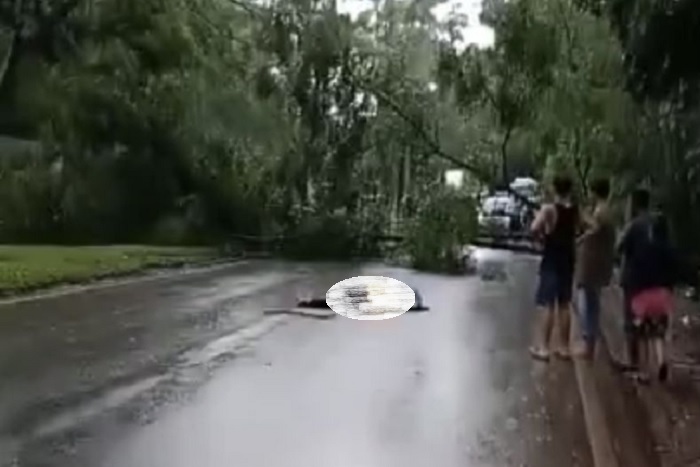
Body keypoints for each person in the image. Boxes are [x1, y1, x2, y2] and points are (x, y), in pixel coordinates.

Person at [530, 174, 579, 361]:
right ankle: (564, 347)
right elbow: (590, 225)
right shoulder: (575, 210)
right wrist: (578, 239)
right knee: (565, 303)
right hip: (568, 259)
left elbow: (534, 228)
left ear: (554, 188)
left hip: (551, 259)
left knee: (549, 304)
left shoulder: (549, 209)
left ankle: (543, 347)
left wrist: (542, 238)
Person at [628, 215, 677, 382]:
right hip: (663, 298)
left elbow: (635, 274)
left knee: (643, 337)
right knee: (659, 334)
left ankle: (644, 372)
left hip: (645, 299)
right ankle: (662, 360)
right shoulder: (670, 250)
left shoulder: (644, 250)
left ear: (651, 231)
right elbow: (677, 272)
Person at [574, 178, 616, 360]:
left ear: (595, 192)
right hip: (598, 262)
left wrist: (580, 238)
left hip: (593, 263)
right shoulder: (604, 210)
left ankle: (589, 343)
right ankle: (589, 341)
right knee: (591, 301)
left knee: (589, 303)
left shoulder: (601, 212)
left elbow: (594, 229)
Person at [617, 188, 655, 375]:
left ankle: (634, 363)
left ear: (635, 204)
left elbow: (619, 246)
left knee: (631, 321)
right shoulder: (655, 223)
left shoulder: (633, 225)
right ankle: (646, 367)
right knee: (646, 322)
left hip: (633, 278)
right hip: (651, 278)